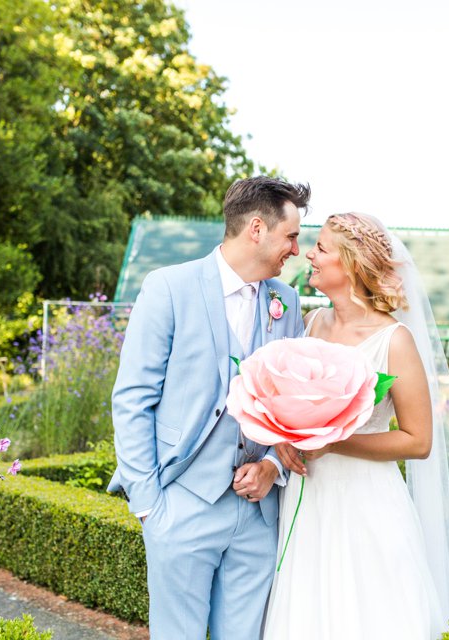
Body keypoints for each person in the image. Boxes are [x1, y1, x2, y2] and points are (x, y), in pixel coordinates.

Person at [265, 213, 449, 639]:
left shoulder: (395, 340)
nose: (309, 254)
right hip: (309, 495)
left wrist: (334, 443)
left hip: (366, 502)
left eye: (321, 248)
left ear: (351, 264)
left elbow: (418, 440)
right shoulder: (311, 324)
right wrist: (283, 436)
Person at [107, 176, 310, 640]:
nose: (296, 250)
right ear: (256, 229)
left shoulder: (285, 301)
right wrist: (150, 507)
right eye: (291, 236)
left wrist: (274, 465)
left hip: (258, 513)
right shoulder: (168, 288)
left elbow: (295, 403)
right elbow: (133, 399)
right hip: (182, 503)